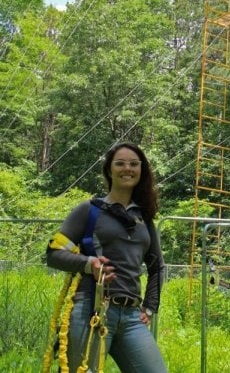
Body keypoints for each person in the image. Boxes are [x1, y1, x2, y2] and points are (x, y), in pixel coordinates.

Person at [46, 141, 168, 373]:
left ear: (141, 170)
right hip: (90, 311)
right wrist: (88, 264)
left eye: (134, 164)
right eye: (120, 163)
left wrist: (150, 307)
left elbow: (157, 267)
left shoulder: (145, 218)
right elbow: (53, 253)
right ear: (109, 170)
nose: (127, 168)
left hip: (132, 317)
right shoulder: (89, 210)